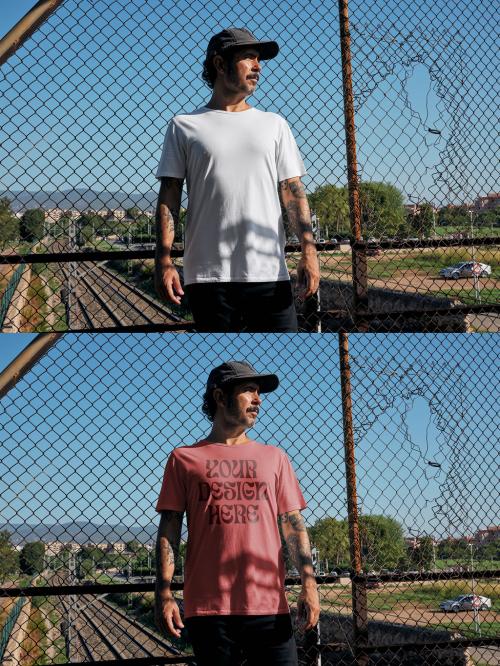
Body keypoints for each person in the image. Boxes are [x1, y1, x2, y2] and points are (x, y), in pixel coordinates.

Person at [154, 360, 320, 666]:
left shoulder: (275, 457)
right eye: (248, 391)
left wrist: (309, 584)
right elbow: (169, 530)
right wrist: (163, 593)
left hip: (269, 606)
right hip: (208, 611)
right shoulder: (183, 459)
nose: (258, 399)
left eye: (259, 392)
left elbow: (294, 526)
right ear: (219, 397)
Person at [154, 27, 320, 332]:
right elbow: (169, 197)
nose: (258, 66)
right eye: (248, 58)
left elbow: (293, 193)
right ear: (219, 64)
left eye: (259, 59)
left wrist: (309, 252)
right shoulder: (184, 126)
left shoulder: (274, 124)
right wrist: (163, 261)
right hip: (208, 277)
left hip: (269, 272)